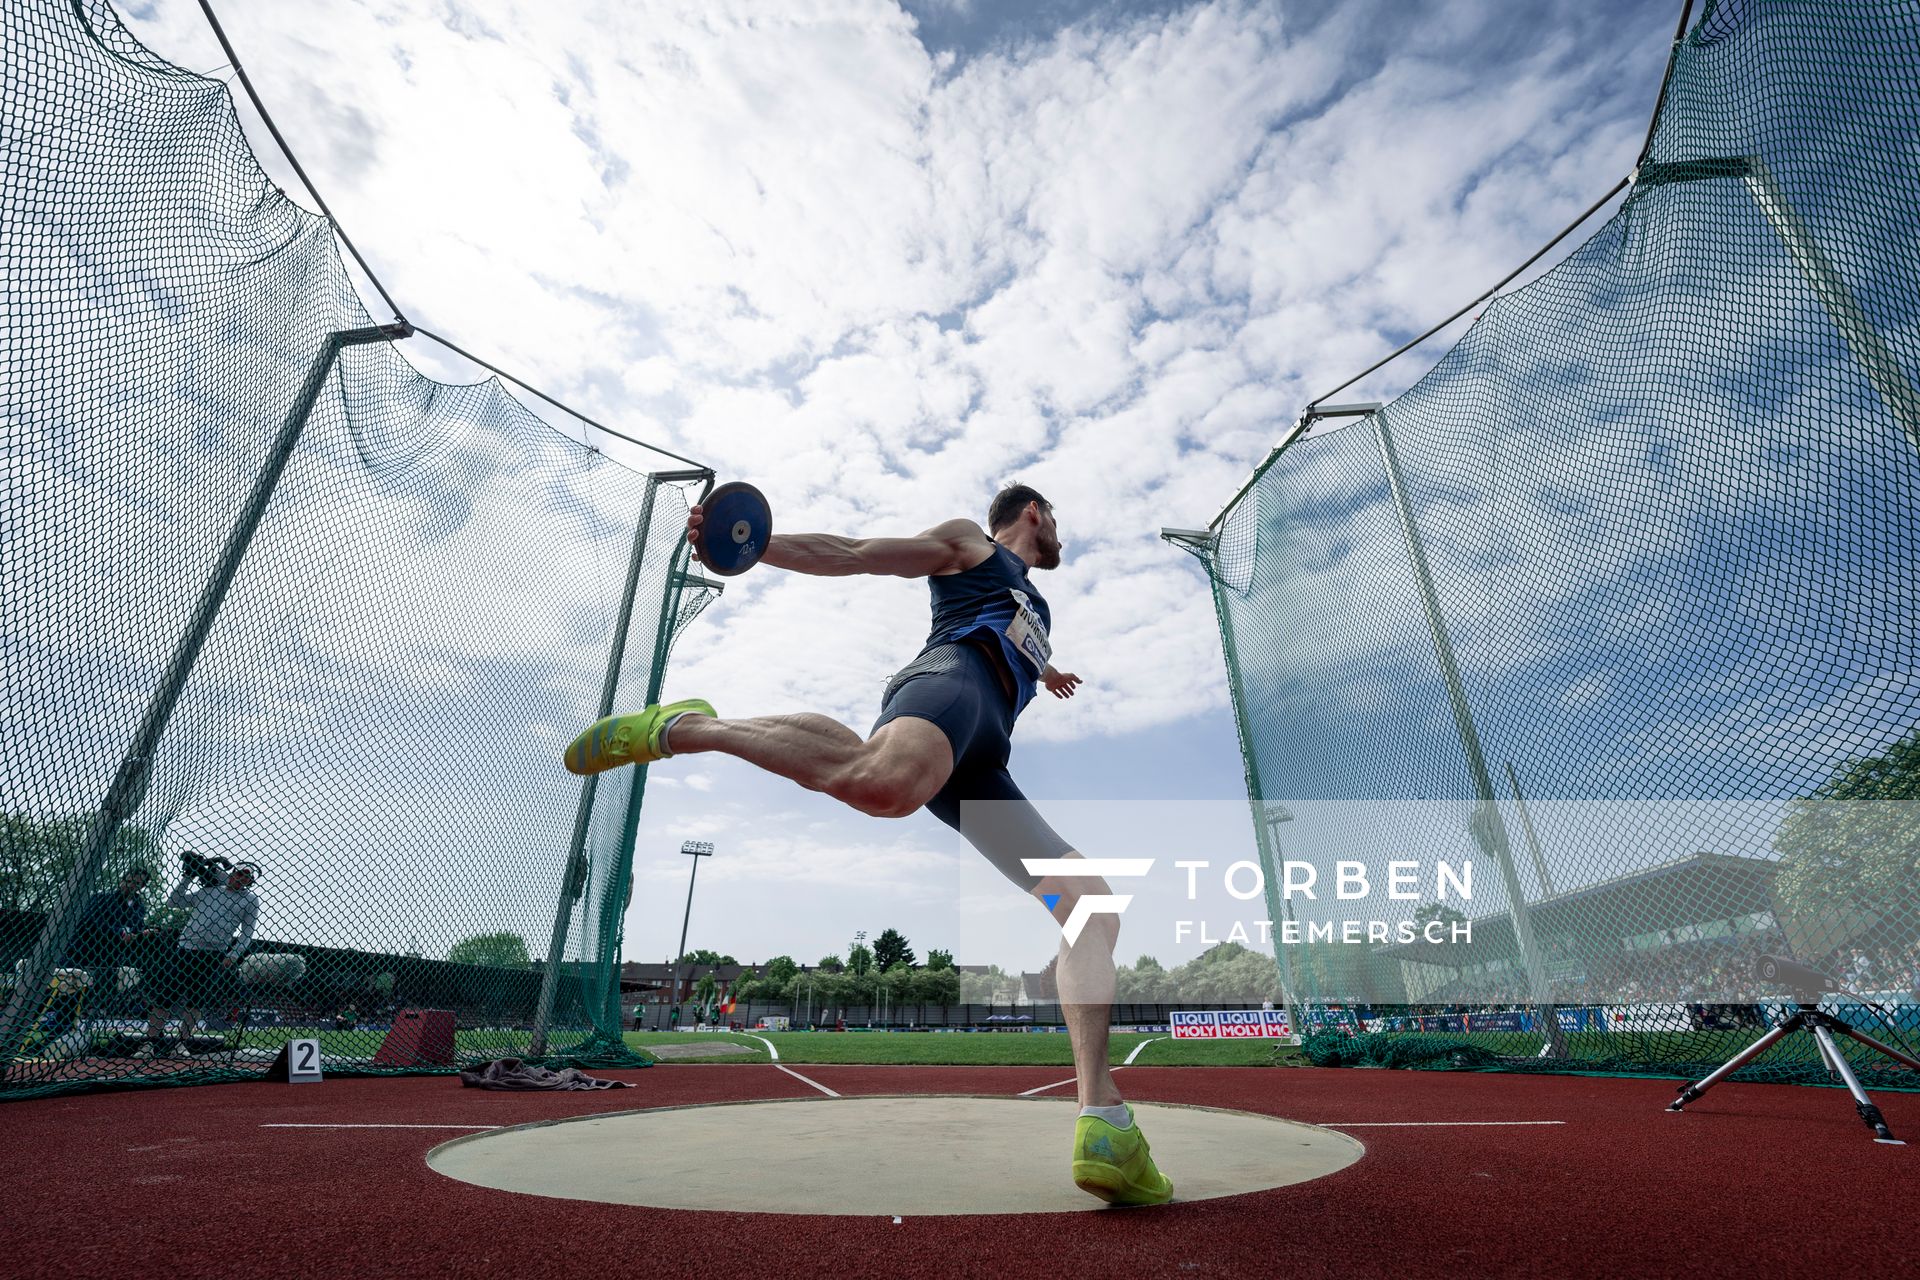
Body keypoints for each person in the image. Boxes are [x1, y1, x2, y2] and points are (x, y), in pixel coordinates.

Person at [565, 483, 1172, 1206]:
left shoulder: (1036, 607)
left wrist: (1047, 670)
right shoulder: (970, 546)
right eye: (1058, 517)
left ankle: (1105, 1120)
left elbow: (1018, 646)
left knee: (1089, 909)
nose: (1061, 533)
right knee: (882, 784)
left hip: (981, 763)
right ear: (1035, 512)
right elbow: (855, 554)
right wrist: (754, 543)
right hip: (947, 688)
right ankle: (688, 727)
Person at [144, 859, 260, 1051]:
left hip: (214, 954)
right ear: (232, 874)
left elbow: (247, 932)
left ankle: (181, 1043)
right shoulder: (209, 891)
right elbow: (174, 902)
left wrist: (234, 954)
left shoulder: (250, 900)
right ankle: (149, 1042)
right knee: (164, 997)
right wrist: (187, 877)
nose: (241, 879)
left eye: (247, 878)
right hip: (186, 948)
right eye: (239, 874)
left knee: (196, 1001)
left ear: (250, 882)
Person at [72, 866, 154, 1011]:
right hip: (88, 951)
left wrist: (143, 933)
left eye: (135, 883)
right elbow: (90, 921)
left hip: (113, 957)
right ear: (121, 880)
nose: (129, 885)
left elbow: (137, 928)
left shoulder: (139, 907)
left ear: (142, 886)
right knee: (76, 987)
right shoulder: (102, 898)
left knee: (102, 992)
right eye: (127, 881)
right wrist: (120, 933)